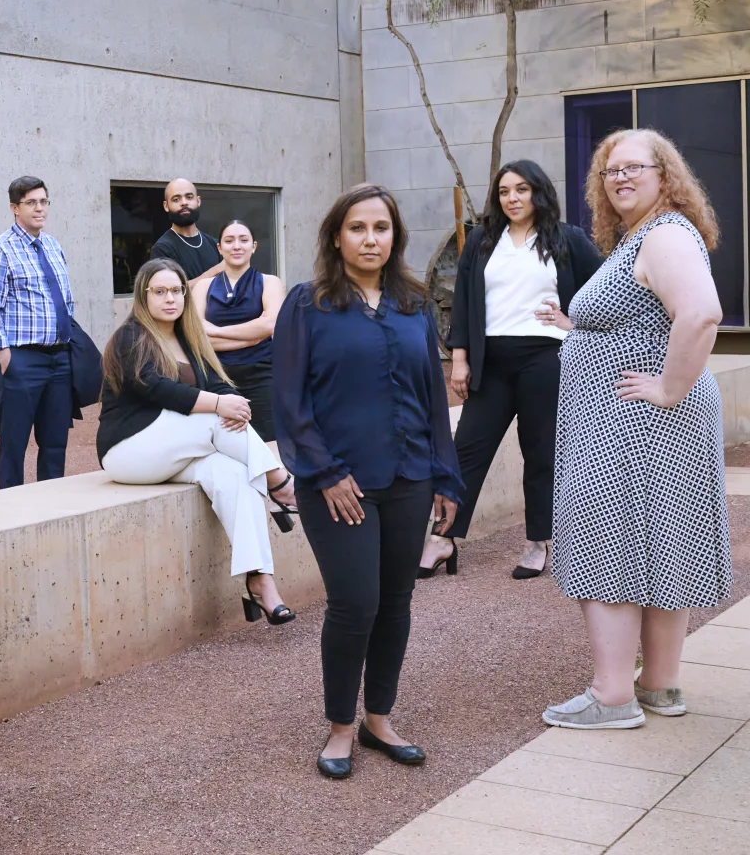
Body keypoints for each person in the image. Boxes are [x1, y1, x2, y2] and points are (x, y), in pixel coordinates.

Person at [543, 129, 732, 730]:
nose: (619, 178)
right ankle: (659, 687)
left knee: (609, 549)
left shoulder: (666, 233)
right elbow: (642, 317)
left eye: (634, 168)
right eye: (609, 171)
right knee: (658, 550)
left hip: (638, 426)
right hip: (642, 426)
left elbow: (701, 313)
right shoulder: (647, 236)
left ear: (665, 174)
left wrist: (669, 387)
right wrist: (577, 324)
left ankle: (612, 696)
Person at [272, 184, 463, 779]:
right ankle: (339, 727)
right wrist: (324, 472)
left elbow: (433, 398)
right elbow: (288, 401)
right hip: (338, 483)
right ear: (337, 235)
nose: (370, 239)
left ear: (395, 236)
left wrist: (446, 477)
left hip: (409, 475)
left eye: (381, 228)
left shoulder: (412, 303)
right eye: (358, 228)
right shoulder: (308, 304)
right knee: (356, 603)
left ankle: (379, 718)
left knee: (396, 602)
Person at [420, 161, 603, 581]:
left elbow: (606, 284)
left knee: (540, 453)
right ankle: (443, 537)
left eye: (521, 189)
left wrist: (573, 322)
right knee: (466, 448)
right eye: (504, 191)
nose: (512, 198)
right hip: (492, 361)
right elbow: (463, 303)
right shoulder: (483, 240)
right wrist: (460, 360)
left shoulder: (567, 238)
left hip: (546, 359)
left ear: (538, 192)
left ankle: (538, 541)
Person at [97, 257, 299, 625]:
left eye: (176, 290)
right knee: (213, 420)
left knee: (234, 475)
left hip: (175, 453)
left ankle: (260, 581)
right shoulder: (130, 337)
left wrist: (234, 402)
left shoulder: (189, 337)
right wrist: (221, 405)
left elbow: (216, 383)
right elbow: (159, 390)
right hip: (128, 451)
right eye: (159, 291)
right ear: (143, 296)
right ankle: (282, 484)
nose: (170, 298)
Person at [0, 176, 76, 489]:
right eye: (31, 202)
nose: (39, 208)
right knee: (13, 444)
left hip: (59, 360)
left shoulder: (53, 245)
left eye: (43, 201)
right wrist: (6, 358)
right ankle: (11, 511)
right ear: (14, 208)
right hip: (21, 361)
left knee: (55, 442)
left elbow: (65, 297)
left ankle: (49, 504)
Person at [192, 221, 285, 444]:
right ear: (219, 248)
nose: (237, 246)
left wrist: (216, 332)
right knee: (225, 444)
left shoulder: (269, 282)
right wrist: (252, 336)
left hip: (262, 377)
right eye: (229, 240)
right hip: (216, 379)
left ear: (253, 246)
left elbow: (270, 325)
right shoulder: (204, 286)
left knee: (269, 445)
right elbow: (195, 335)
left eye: (243, 240)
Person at [150, 178, 224, 286]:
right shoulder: (162, 249)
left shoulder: (215, 244)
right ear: (166, 206)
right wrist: (214, 272)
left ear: (198, 201)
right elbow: (171, 290)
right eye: (176, 199)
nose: (184, 203)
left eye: (189, 197)